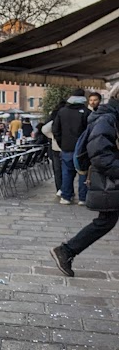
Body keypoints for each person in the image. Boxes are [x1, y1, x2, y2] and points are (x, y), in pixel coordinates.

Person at [51, 82, 119, 277]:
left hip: (107, 178)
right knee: (106, 220)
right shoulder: (107, 118)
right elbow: (100, 154)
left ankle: (66, 251)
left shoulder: (108, 116)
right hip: (109, 180)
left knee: (106, 221)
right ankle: (66, 250)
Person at [53, 88, 90, 205]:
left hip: (66, 147)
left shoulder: (62, 112)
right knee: (83, 172)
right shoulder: (87, 112)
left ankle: (66, 196)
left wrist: (61, 143)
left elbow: (55, 129)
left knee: (67, 173)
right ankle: (83, 198)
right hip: (83, 149)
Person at [41, 103, 65, 196]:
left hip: (55, 147)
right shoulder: (61, 118)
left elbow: (45, 129)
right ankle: (65, 188)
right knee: (66, 169)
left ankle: (59, 188)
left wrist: (52, 137)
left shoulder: (53, 118)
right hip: (66, 146)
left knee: (57, 169)